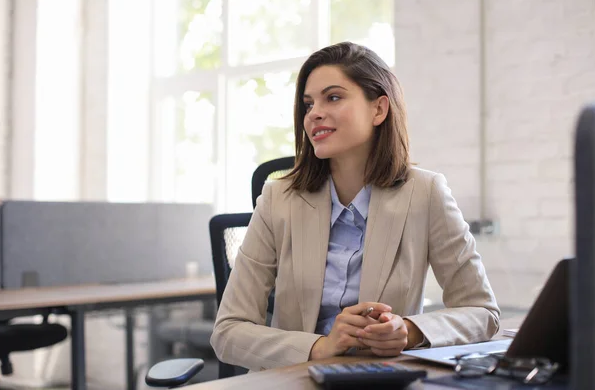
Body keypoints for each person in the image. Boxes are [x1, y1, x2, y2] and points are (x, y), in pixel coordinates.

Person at [210, 42, 500, 372]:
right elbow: (228, 331)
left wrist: (409, 331)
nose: (314, 113)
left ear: (379, 109)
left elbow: (482, 311)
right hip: (294, 379)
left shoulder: (425, 193)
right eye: (308, 104)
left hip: (383, 378)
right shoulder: (278, 199)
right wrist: (320, 347)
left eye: (333, 97)